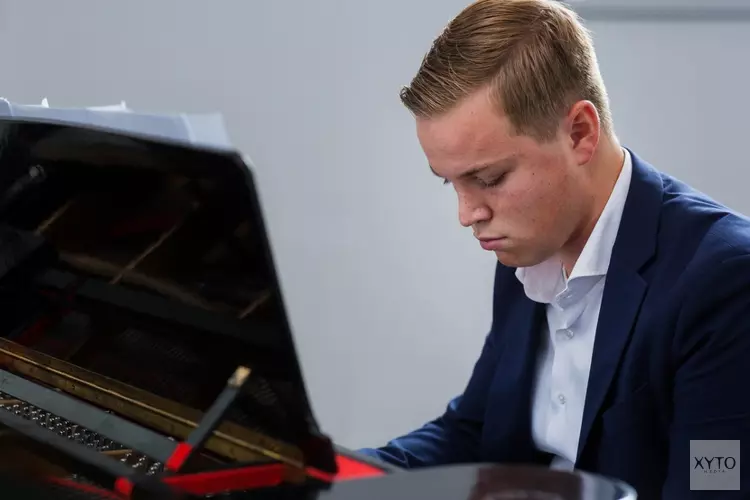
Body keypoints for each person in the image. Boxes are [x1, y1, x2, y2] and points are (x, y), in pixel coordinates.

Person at [357, 0, 750, 498]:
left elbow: (714, 485)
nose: (468, 214)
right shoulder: (528, 249)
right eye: (449, 183)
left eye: (490, 179)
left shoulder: (726, 280)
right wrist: (328, 477)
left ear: (580, 133)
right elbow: (475, 432)